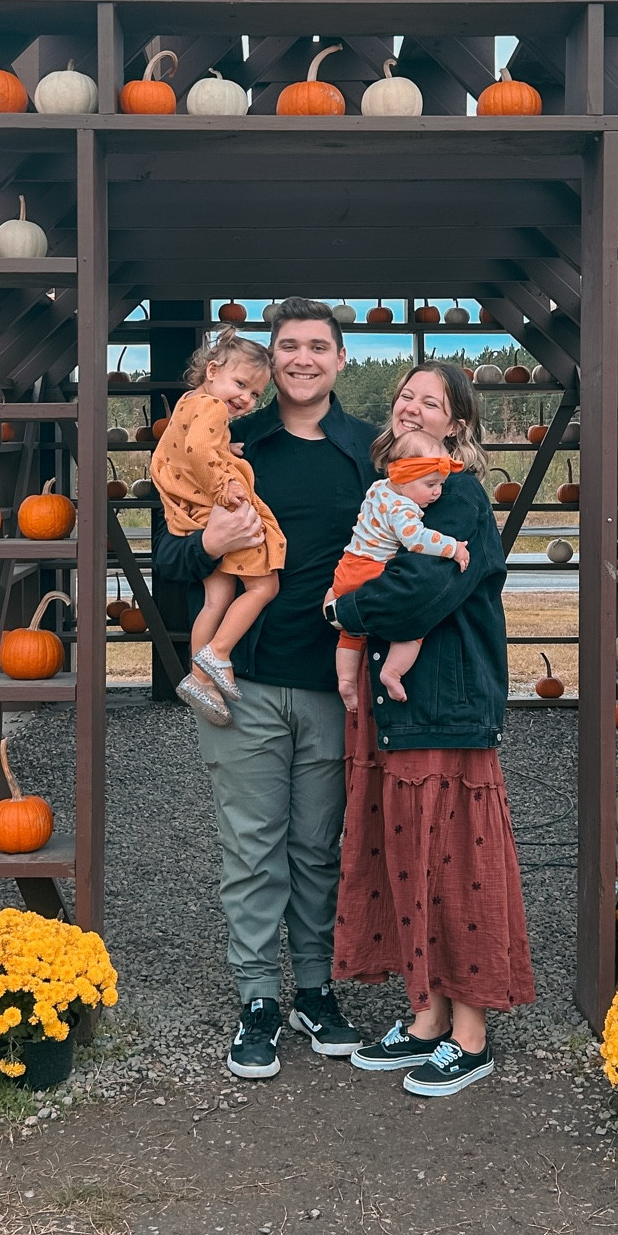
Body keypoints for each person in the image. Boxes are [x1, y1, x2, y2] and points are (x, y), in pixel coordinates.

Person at [152, 298, 377, 1081]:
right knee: (252, 850)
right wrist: (207, 543)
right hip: (242, 681)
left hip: (332, 684)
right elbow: (167, 559)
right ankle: (257, 999)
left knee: (317, 847)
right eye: (289, 347)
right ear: (268, 361)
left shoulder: (365, 450)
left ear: (340, 359)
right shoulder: (229, 441)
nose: (303, 358)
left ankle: (315, 989)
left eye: (318, 345)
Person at [327, 363, 535, 1098]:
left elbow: (420, 592)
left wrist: (344, 611)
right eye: (406, 396)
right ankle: (427, 1018)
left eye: (432, 401)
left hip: (445, 702)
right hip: (401, 707)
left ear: (458, 424)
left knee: (456, 864)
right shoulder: (395, 487)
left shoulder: (460, 493)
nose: (413, 406)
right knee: (411, 859)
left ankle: (470, 1037)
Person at [149, 330, 284, 726]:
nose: (246, 398)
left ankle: (199, 678)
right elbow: (199, 451)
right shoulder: (212, 407)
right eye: (240, 384)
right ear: (212, 371)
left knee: (216, 599)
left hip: (193, 517)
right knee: (264, 587)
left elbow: (191, 445)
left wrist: (226, 450)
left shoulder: (190, 403)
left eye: (256, 394)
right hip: (216, 512)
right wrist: (225, 485)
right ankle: (218, 654)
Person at [325, 429, 470, 710]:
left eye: (441, 484)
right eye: (430, 484)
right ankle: (392, 672)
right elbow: (416, 540)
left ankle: (346, 681)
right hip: (372, 570)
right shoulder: (402, 508)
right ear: (403, 478)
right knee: (414, 626)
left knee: (350, 633)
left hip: (347, 568)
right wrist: (453, 548)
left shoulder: (378, 489)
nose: (437, 492)